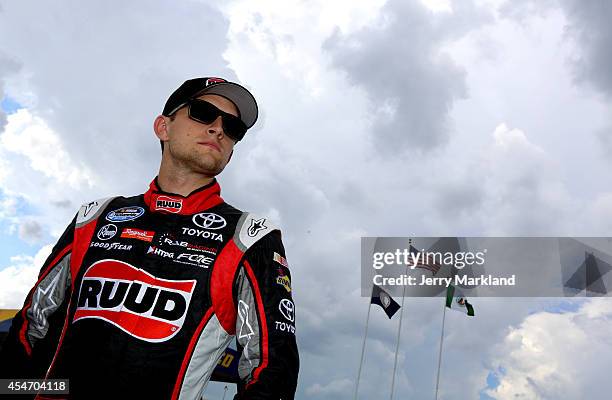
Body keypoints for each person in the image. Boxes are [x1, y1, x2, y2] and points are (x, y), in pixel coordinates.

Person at [0, 77, 299, 399]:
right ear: (163, 127)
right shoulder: (95, 217)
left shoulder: (250, 237)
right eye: (202, 113)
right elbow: (31, 329)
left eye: (233, 127)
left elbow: (272, 369)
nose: (218, 129)